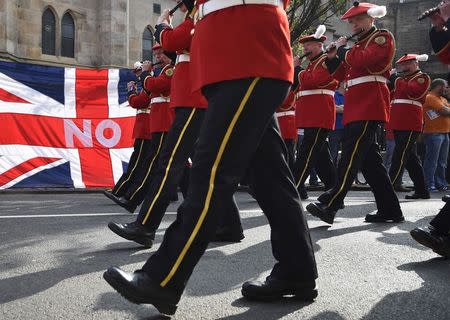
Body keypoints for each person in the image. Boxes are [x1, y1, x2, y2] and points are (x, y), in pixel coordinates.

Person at [103, 0, 318, 315]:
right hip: (236, 63)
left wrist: (167, 26)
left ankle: (163, 278)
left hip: (246, 58)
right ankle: (296, 272)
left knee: (210, 175)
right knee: (271, 180)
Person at [107, 0, 244, 247]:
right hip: (193, 98)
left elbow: (173, 42)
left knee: (169, 163)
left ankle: (146, 226)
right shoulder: (197, 17)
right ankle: (230, 226)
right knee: (208, 167)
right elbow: (174, 51)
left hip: (194, 99)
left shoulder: (200, 16)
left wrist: (162, 27)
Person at [306, 1, 404, 224]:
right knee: (370, 165)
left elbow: (364, 61)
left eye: (358, 20)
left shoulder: (381, 37)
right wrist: (332, 58)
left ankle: (332, 203)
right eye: (351, 22)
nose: (353, 25)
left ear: (371, 18)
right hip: (357, 105)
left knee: (349, 157)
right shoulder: (358, 44)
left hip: (370, 104)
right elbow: (342, 75)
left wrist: (342, 50)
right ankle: (390, 209)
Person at [292, 25, 338, 198]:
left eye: (308, 45)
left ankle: (293, 188)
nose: (305, 49)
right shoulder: (312, 64)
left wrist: (297, 69)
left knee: (306, 153)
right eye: (304, 46)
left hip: (319, 113)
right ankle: (334, 191)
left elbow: (313, 81)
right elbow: (297, 88)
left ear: (319, 45)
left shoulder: (326, 61)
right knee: (320, 157)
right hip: (310, 113)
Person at [103, 61, 153, 205]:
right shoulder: (146, 82)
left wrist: (131, 91)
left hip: (147, 128)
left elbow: (139, 102)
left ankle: (120, 191)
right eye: (137, 72)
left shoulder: (148, 82)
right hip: (145, 127)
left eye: (140, 72)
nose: (138, 75)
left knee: (137, 163)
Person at [388, 54, 431, 199]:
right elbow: (391, 96)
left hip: (410, 121)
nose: (404, 67)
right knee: (411, 159)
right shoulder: (401, 79)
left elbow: (413, 92)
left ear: (416, 63)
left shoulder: (422, 77)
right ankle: (422, 190)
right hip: (399, 120)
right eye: (402, 65)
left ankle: (389, 185)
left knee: (399, 155)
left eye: (408, 64)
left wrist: (397, 80)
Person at [422, 78, 450, 192]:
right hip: (433, 133)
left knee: (442, 162)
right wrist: (446, 109)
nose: (446, 89)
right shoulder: (430, 97)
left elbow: (446, 110)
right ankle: (429, 184)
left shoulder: (442, 99)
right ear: (439, 86)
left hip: (444, 133)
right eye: (445, 86)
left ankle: (440, 183)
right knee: (432, 160)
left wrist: (446, 109)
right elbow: (444, 111)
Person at [329, 81, 345, 166]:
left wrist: (340, 108)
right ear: (342, 83)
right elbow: (332, 108)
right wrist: (343, 108)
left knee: (346, 154)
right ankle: (332, 175)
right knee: (333, 154)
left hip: (347, 128)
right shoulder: (334, 94)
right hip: (335, 129)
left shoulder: (349, 94)